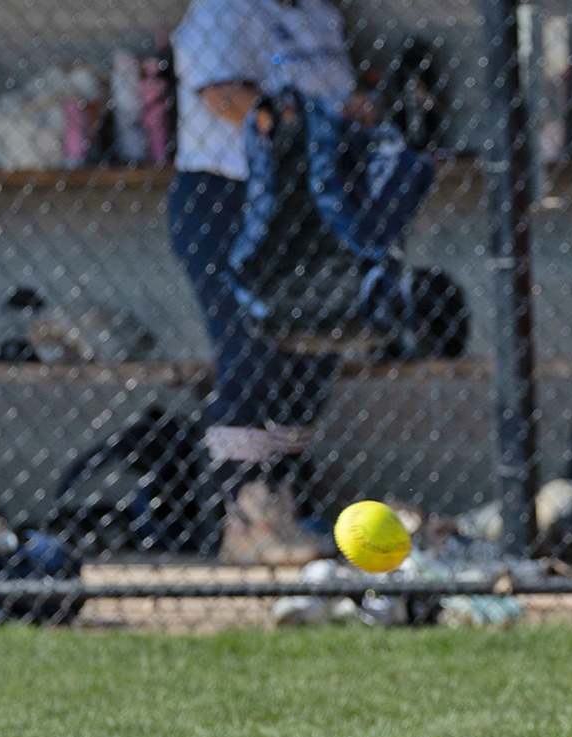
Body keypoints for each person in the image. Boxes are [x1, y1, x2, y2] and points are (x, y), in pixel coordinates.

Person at [167, 0, 378, 565]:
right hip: (227, 197)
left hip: (305, 206)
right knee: (251, 352)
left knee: (311, 356)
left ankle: (276, 500)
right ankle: (243, 516)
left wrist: (348, 114)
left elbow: (328, 103)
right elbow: (225, 97)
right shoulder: (224, 8)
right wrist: (297, 123)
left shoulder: (319, 14)